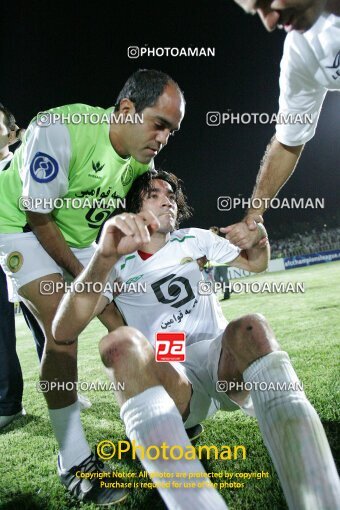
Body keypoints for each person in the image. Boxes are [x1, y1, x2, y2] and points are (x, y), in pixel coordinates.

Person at [53, 170, 340, 509]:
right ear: (134, 206)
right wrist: (101, 259)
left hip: (219, 359)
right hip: (174, 377)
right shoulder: (116, 261)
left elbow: (256, 263)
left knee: (252, 326)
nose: (167, 198)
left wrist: (259, 239)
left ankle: (321, 501)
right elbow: (63, 330)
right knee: (120, 346)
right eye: (154, 193)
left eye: (171, 194)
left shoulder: (194, 238)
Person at [0, 70, 185, 505]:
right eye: (159, 123)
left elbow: (143, 228)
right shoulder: (59, 130)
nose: (163, 138)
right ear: (125, 110)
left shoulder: (144, 160)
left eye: (172, 131)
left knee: (126, 318)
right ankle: (73, 460)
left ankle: (161, 413)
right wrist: (84, 279)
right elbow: (40, 217)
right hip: (22, 225)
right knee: (61, 322)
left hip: (80, 235)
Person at [229, 0, 340, 238]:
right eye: (257, 11)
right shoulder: (302, 49)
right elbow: (288, 141)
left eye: (267, 2)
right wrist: (252, 218)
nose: (269, 22)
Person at [0, 103, 45, 429]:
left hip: (27, 253)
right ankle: (9, 403)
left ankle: (62, 387)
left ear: (11, 132)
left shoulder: (22, 163)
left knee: (45, 326)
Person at [210, 226, 231, 300]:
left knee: (224, 278)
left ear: (216, 232)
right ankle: (227, 289)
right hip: (215, 262)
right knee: (216, 278)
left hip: (223, 261)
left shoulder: (220, 240)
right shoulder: (210, 242)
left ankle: (227, 293)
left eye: (211, 231)